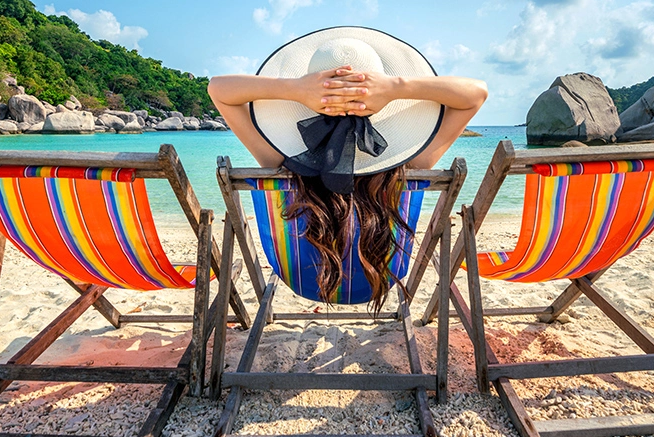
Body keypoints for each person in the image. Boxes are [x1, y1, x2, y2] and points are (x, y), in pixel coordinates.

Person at [208, 27, 486, 311]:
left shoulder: (278, 161)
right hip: (379, 278)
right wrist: (395, 87)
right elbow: (476, 94)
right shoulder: (411, 164)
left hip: (303, 281)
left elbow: (217, 89)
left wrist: (296, 89)